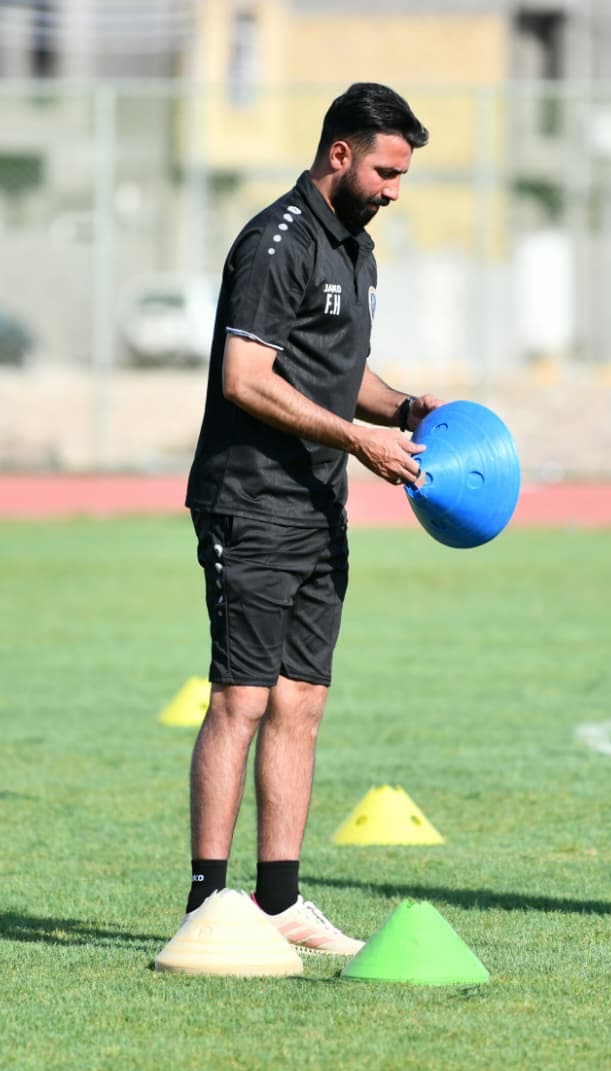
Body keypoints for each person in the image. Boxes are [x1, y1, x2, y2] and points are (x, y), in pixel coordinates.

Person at [181, 83, 444, 953]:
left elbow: (339, 371)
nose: (396, 189)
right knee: (241, 698)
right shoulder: (277, 242)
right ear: (340, 153)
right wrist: (359, 442)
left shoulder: (356, 250)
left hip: (315, 504)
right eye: (386, 170)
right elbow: (246, 380)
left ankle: (280, 901)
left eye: (403, 173)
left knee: (302, 699)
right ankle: (208, 903)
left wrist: (401, 409)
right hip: (249, 501)